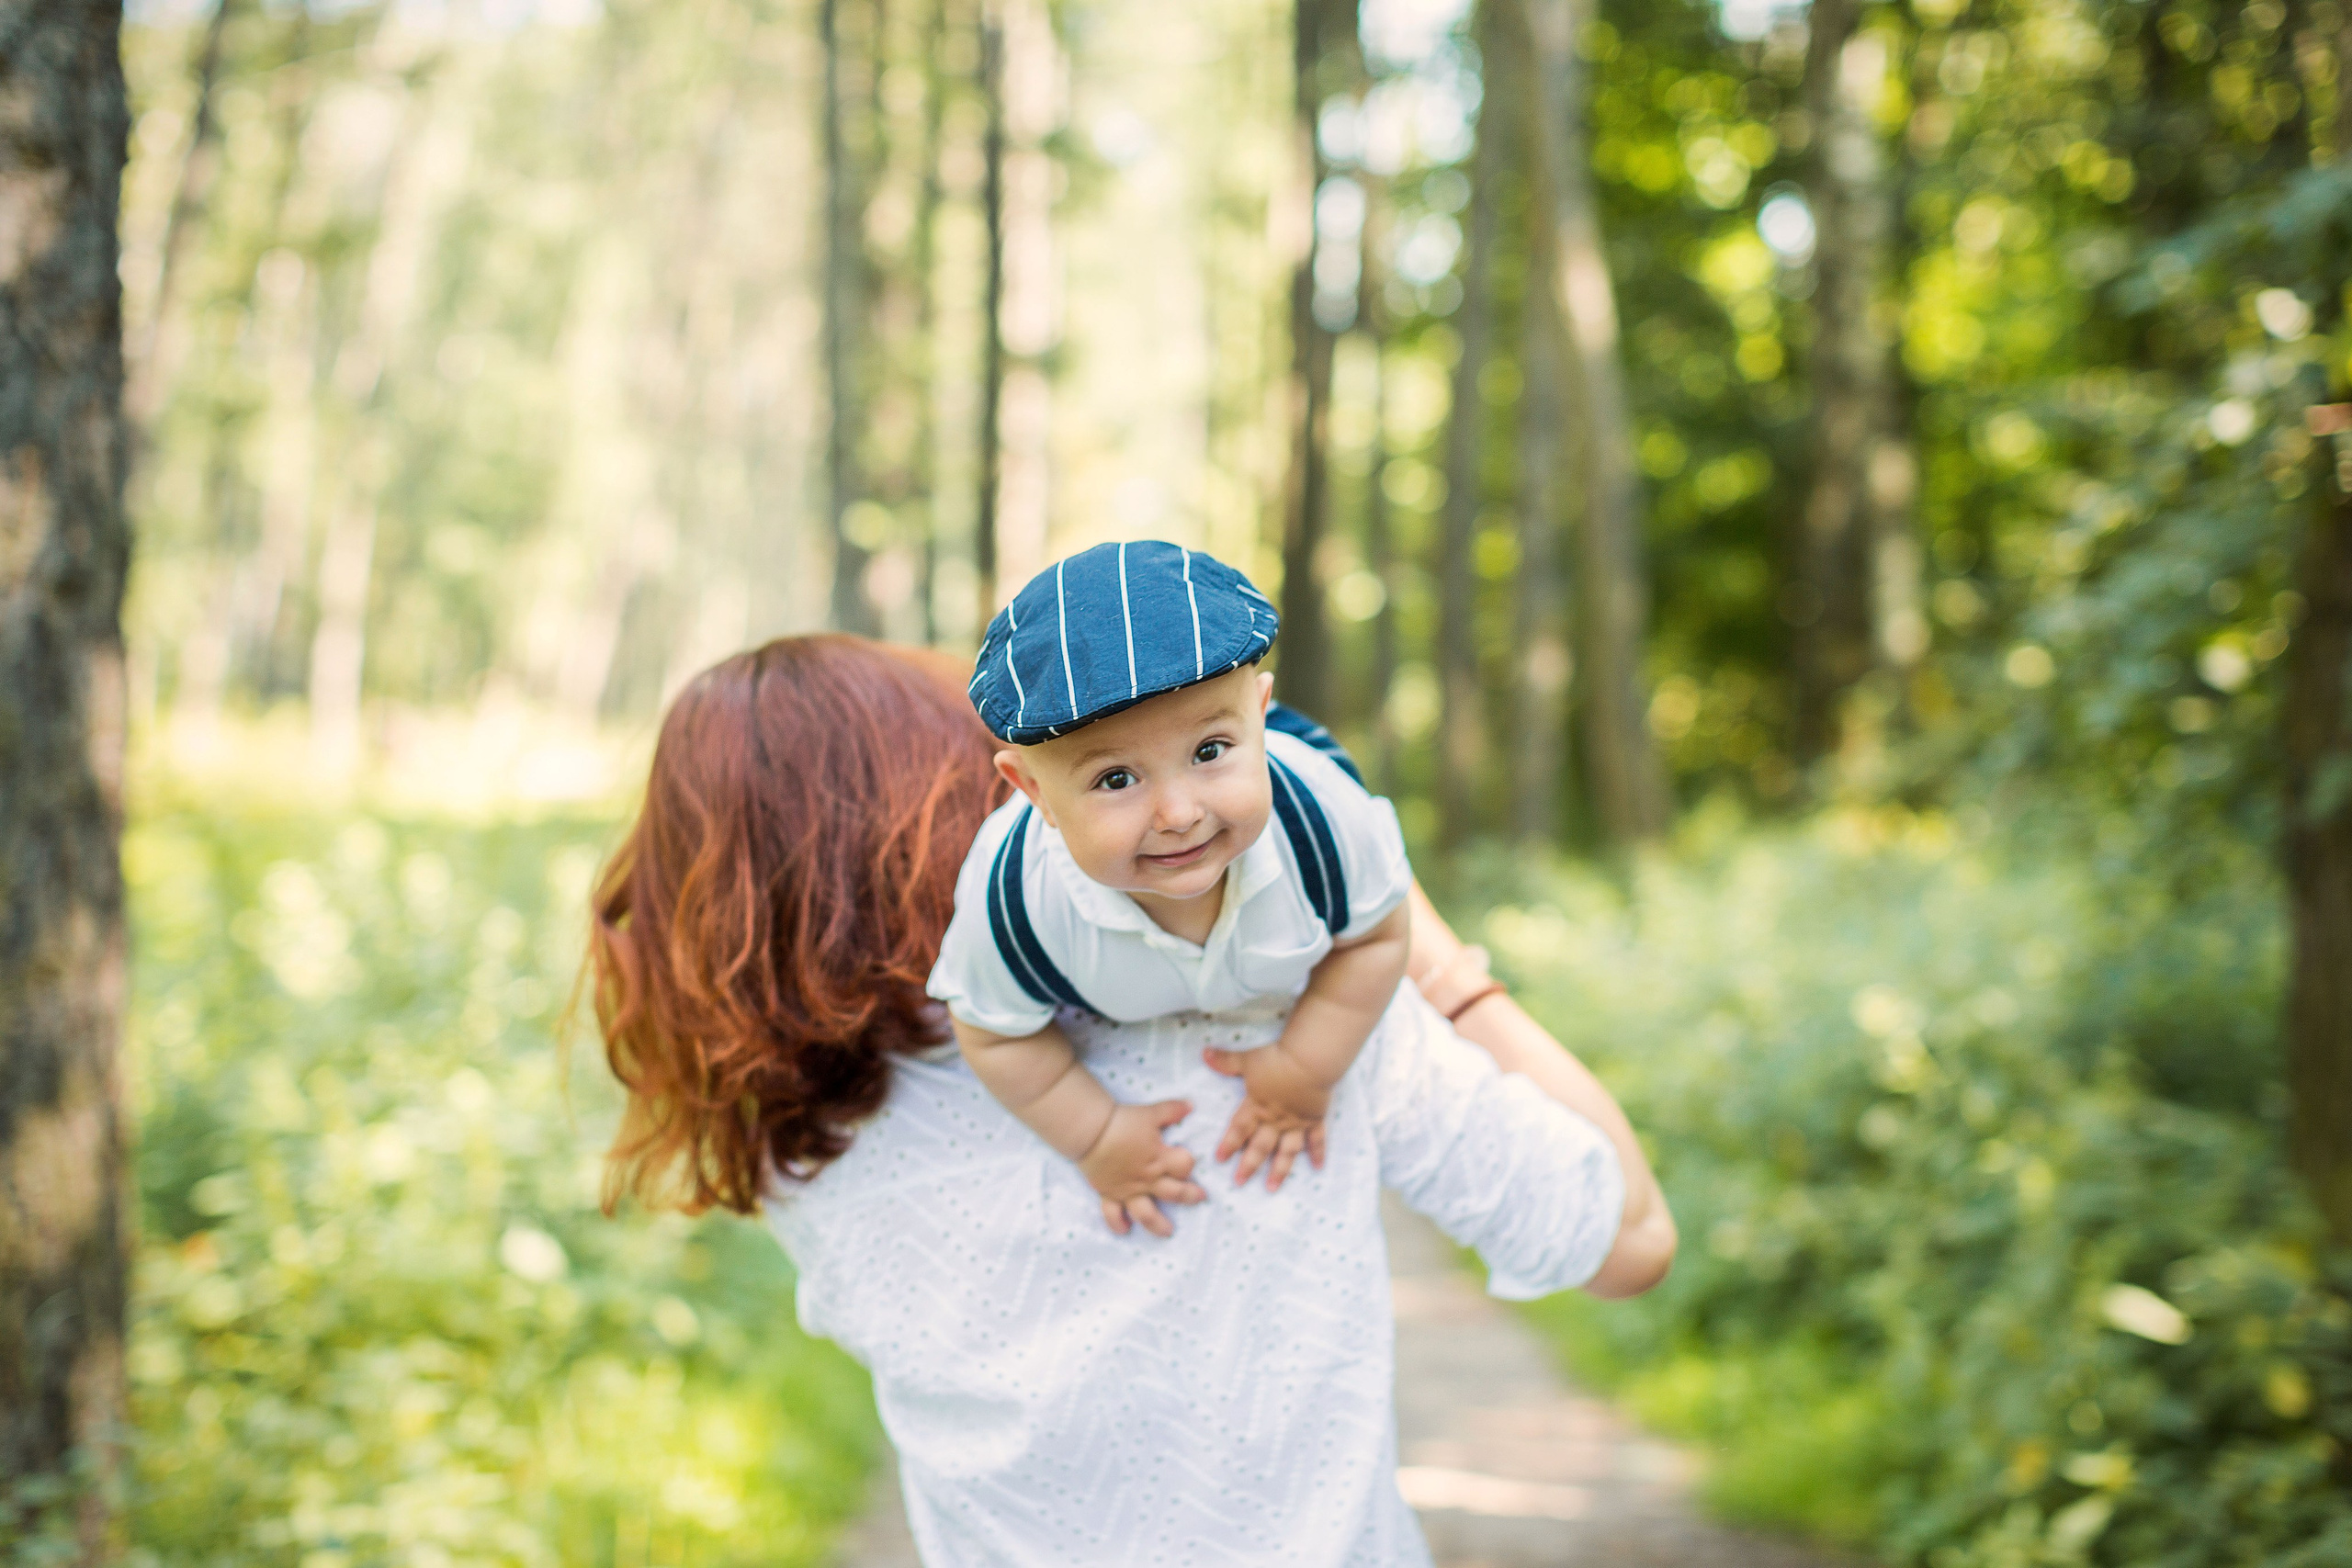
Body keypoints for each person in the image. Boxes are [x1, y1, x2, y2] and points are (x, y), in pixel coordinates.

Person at [587, 634, 1675, 1567]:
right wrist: (1412, 938)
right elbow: (1625, 1238)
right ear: (986, 801)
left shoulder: (797, 1148)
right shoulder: (1260, 1028)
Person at [933, 541, 1412, 1235]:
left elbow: (1379, 936)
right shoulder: (1013, 899)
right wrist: (1096, 1135)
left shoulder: (1323, 823)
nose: (1180, 813)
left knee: (1384, 899)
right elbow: (994, 1034)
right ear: (1031, 789)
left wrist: (1304, 1068)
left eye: (1210, 750)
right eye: (1117, 779)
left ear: (1260, 711)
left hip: (1316, 847)